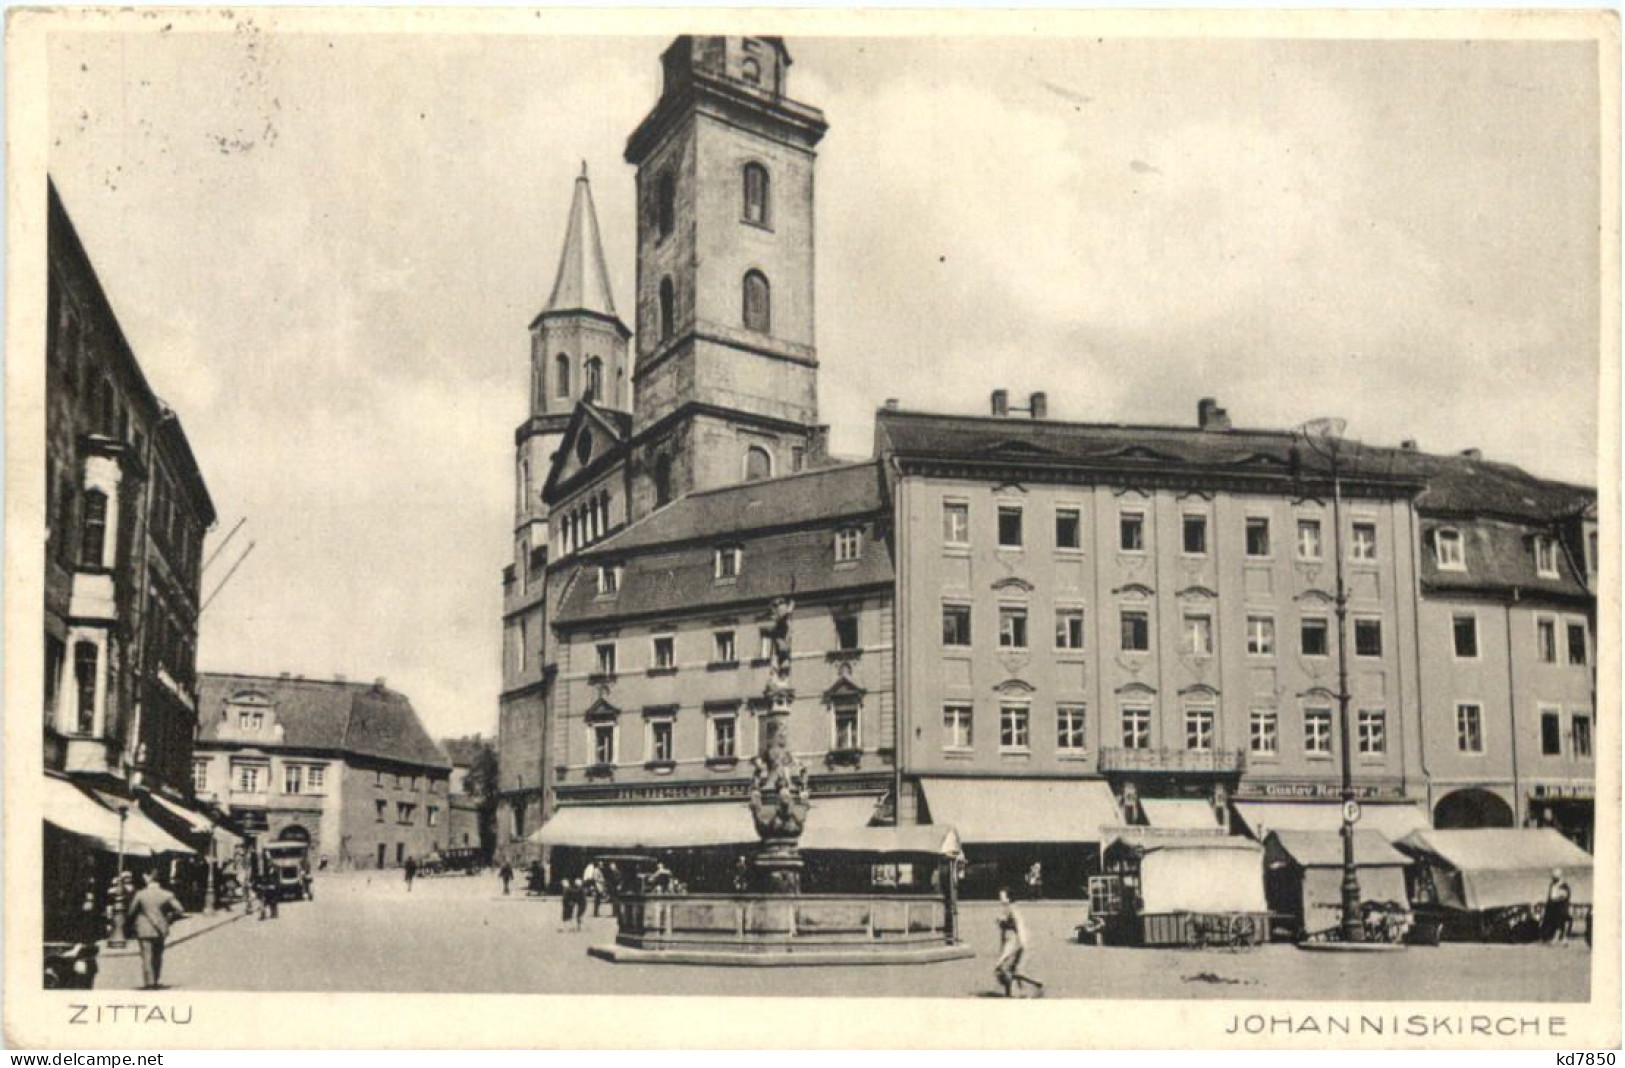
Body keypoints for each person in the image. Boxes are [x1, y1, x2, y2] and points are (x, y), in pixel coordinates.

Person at [128, 871, 186, 990]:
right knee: (158, 956)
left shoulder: (140, 894)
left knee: (146, 956)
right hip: (160, 928)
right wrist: (168, 918)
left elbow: (131, 912)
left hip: (143, 929)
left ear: (149, 879)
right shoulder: (166, 894)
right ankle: (156, 979)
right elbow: (180, 909)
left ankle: (149, 983)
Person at [994, 888, 1044, 998]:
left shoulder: (1012, 909)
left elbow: (1019, 925)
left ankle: (1036, 984)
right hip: (1011, 942)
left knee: (1004, 969)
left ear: (1008, 897)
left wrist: (1022, 941)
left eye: (1002, 896)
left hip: (1014, 942)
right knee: (1011, 970)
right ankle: (1015, 991)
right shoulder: (1008, 909)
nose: (1000, 898)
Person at [1544, 869, 1572, 944]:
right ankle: (1557, 938)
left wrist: (1556, 899)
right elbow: (1550, 896)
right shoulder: (1553, 885)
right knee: (1557, 922)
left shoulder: (1563, 885)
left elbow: (1564, 896)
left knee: (1562, 921)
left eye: (1554, 877)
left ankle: (1563, 938)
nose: (1553, 878)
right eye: (1553, 876)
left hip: (1562, 906)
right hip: (1554, 907)